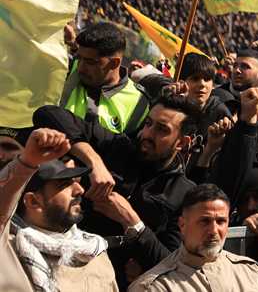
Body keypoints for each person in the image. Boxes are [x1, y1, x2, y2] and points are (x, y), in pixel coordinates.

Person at [33, 94, 201, 288]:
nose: (147, 134)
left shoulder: (185, 194)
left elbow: (174, 265)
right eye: (148, 123)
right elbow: (47, 114)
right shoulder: (117, 147)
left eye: (161, 129)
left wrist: (132, 222)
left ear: (182, 142)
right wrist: (94, 161)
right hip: (67, 270)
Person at [0, 128, 116, 292]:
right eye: (64, 185)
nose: (79, 190)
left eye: (75, 181)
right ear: (33, 201)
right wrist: (27, 162)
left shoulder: (96, 255)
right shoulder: (7, 250)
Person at [127, 184, 258, 291]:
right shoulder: (156, 287)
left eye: (221, 221)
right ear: (182, 225)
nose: (214, 230)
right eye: (204, 221)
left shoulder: (251, 272)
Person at [58, 21, 150, 136]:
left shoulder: (139, 105)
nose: (80, 67)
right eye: (79, 58)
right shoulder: (70, 70)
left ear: (114, 63)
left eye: (90, 62)